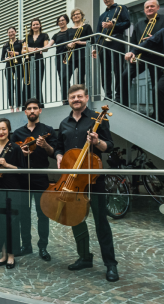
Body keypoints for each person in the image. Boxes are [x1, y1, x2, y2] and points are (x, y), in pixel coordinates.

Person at [53, 84, 119, 282]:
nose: (76, 99)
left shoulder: (98, 118)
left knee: (101, 221)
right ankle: (84, 257)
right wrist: (57, 156)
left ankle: (111, 264)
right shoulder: (64, 123)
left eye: (80, 96)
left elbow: (109, 146)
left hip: (93, 178)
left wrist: (98, 142)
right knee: (76, 218)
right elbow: (59, 147)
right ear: (69, 99)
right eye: (73, 97)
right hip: (73, 180)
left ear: (86, 97)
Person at [11, 98, 55, 261]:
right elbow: (12, 154)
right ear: (25, 112)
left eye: (35, 108)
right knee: (24, 214)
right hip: (23, 177)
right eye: (29, 108)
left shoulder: (48, 130)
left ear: (40, 111)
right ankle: (26, 245)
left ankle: (42, 247)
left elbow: (53, 152)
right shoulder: (18, 133)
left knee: (43, 213)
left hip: (41, 176)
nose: (32, 111)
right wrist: (19, 153)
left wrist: (45, 146)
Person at [0, 118, 27, 269]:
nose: (1, 132)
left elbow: (22, 171)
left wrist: (7, 165)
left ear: (8, 130)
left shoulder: (15, 148)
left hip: (13, 190)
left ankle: (11, 256)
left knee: (12, 224)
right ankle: (2, 255)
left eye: (3, 129)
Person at [119, 0, 164, 107]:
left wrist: (155, 39)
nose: (149, 9)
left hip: (157, 57)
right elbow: (133, 42)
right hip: (141, 57)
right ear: (144, 10)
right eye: (147, 7)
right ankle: (124, 105)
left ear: (158, 8)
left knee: (156, 86)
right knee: (125, 75)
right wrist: (133, 53)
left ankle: (157, 114)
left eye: (152, 6)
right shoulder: (139, 24)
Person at [96, 0, 131, 100]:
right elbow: (98, 32)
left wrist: (114, 26)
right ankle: (108, 95)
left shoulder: (121, 8)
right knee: (105, 70)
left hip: (116, 39)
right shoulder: (102, 15)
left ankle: (119, 95)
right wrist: (96, 47)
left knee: (118, 67)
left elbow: (127, 23)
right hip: (103, 43)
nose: (106, 0)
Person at [24, 18, 52, 103]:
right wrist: (35, 49)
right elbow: (23, 50)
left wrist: (32, 49)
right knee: (27, 83)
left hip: (39, 60)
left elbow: (46, 48)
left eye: (37, 24)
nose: (35, 26)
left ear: (40, 25)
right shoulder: (27, 36)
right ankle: (27, 103)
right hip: (28, 61)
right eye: (34, 25)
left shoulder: (44, 35)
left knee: (38, 82)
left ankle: (39, 103)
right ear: (31, 27)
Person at [64, 9, 95, 87]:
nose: (75, 16)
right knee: (64, 77)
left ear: (82, 15)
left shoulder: (87, 27)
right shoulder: (69, 30)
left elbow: (92, 41)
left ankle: (81, 97)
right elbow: (65, 44)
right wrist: (69, 45)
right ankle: (68, 96)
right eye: (73, 15)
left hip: (83, 55)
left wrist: (80, 42)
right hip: (72, 56)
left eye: (77, 14)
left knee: (80, 78)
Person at [2, 27, 26, 110]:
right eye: (9, 32)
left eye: (12, 32)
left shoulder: (20, 42)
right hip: (9, 66)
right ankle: (11, 106)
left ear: (15, 32)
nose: (11, 33)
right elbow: (2, 58)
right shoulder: (5, 45)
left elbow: (23, 53)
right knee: (10, 86)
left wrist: (15, 53)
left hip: (18, 65)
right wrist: (6, 58)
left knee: (18, 85)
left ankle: (18, 106)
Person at [52, 14, 73, 104]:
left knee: (65, 77)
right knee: (62, 78)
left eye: (63, 20)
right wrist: (39, 49)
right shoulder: (56, 35)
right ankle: (65, 99)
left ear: (67, 21)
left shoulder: (70, 31)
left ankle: (69, 98)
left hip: (69, 56)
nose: (61, 22)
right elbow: (49, 45)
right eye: (59, 21)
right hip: (59, 58)